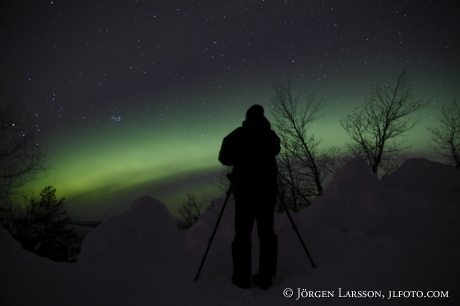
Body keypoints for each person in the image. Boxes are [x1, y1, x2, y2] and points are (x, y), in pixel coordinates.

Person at [218, 104, 280, 289]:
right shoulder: (271, 135)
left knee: (243, 235)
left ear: (247, 117)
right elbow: (276, 151)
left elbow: (224, 158)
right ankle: (266, 277)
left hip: (245, 192)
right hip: (267, 191)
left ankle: (241, 278)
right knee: (267, 234)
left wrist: (241, 155)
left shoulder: (237, 134)